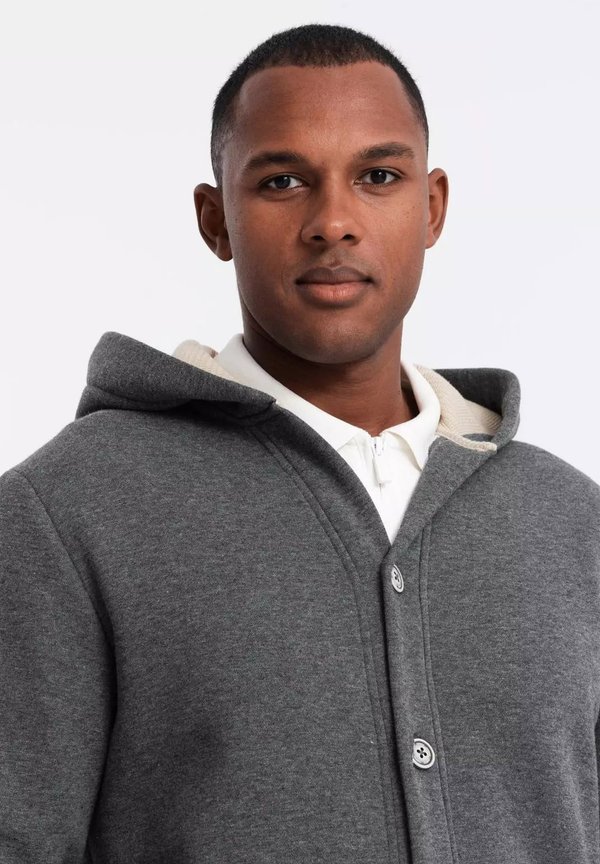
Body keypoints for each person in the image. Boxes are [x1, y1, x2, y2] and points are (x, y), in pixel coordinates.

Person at [1, 22, 599, 864]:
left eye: (378, 176)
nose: (334, 222)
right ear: (216, 220)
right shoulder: (66, 515)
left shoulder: (571, 521)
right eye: (282, 181)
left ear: (432, 207)